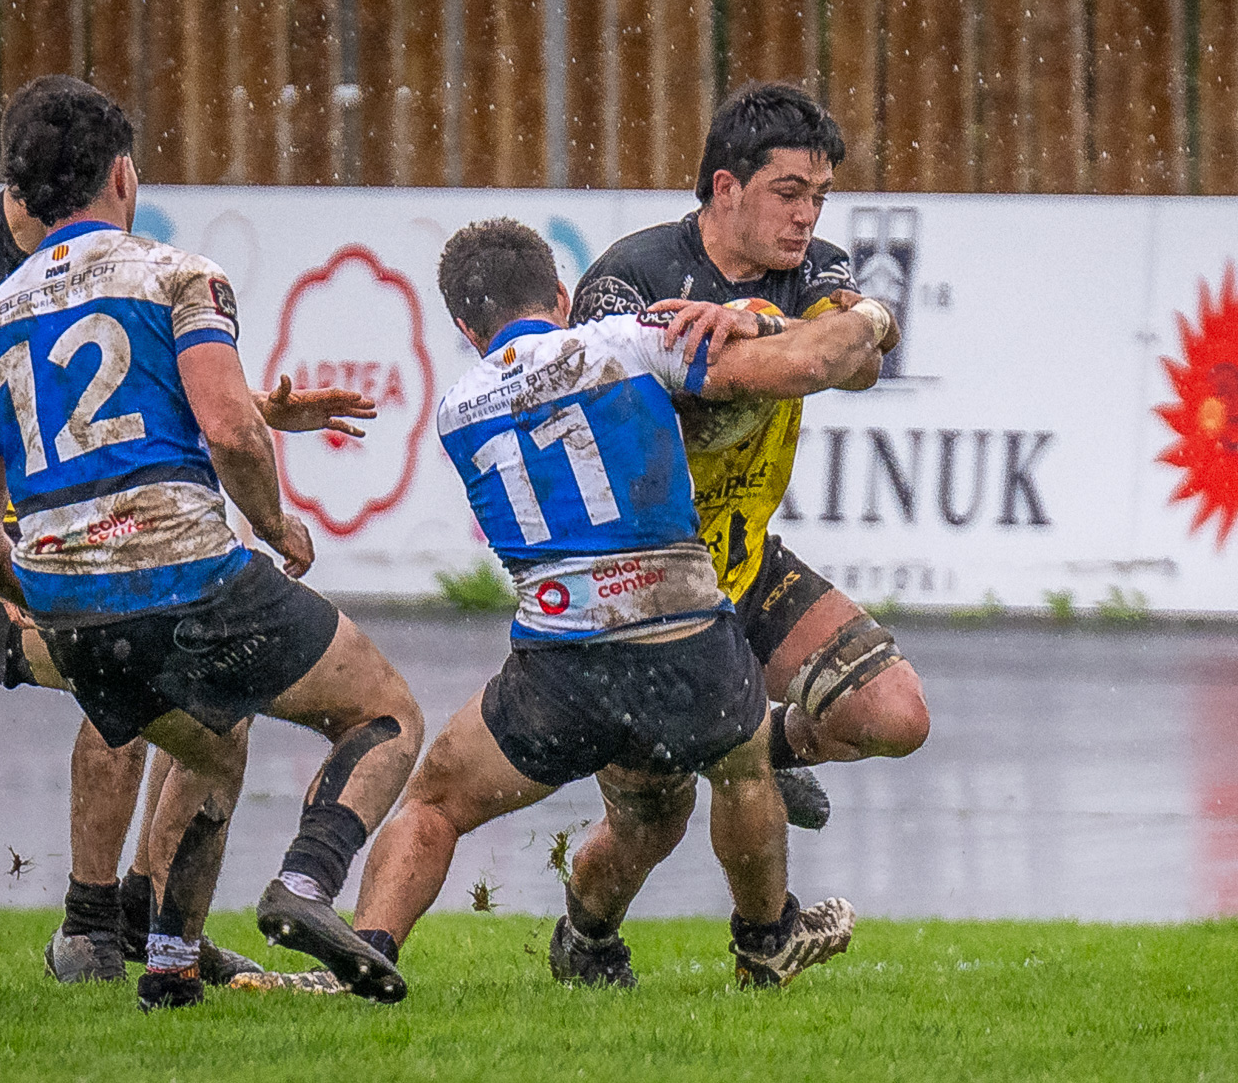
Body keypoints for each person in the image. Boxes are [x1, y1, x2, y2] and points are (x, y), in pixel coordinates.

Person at [0, 90, 372, 986]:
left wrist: (264, 412)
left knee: (170, 673)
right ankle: (97, 929)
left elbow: (125, 401)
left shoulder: (70, 271)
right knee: (136, 662)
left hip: (57, 539)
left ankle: (140, 913)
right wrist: (10, 568)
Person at [350, 218, 892, 992]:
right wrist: (866, 317)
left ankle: (368, 954)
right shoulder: (625, 342)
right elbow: (806, 362)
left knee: (435, 803)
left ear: (465, 327)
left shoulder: (457, 408)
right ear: (563, 294)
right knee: (742, 771)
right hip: (685, 637)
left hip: (561, 660)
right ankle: (766, 937)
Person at [570, 82, 931, 831]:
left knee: (896, 715)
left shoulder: (814, 268)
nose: (806, 217)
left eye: (820, 198)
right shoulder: (625, 278)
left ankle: (762, 744)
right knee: (646, 832)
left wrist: (757, 326)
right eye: (789, 193)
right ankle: (590, 935)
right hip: (636, 584)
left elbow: (858, 364)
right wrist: (830, 331)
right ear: (726, 188)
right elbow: (643, 422)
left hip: (740, 557)